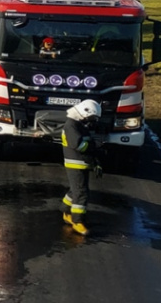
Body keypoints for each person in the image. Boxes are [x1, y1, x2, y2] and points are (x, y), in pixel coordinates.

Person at [61, 99, 101, 236]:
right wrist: (95, 147)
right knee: (81, 192)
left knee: (75, 189)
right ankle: (77, 221)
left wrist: (95, 160)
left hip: (81, 162)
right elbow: (78, 145)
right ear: (84, 113)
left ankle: (66, 212)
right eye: (91, 118)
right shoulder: (71, 126)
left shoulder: (77, 124)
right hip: (75, 162)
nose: (91, 121)